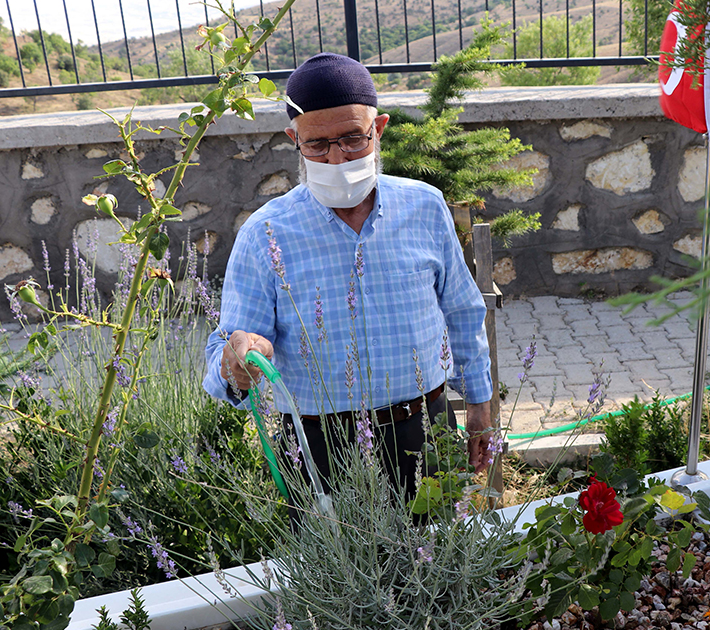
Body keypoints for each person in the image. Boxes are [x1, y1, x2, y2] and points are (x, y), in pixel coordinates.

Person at [202, 52, 493, 504]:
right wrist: (237, 361)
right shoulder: (265, 233)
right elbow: (229, 342)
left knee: (437, 563)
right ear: (293, 139)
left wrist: (479, 404)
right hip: (321, 446)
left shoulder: (425, 207)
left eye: (353, 138)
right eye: (317, 144)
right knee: (333, 572)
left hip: (425, 429)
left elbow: (462, 308)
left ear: (378, 129)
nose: (337, 158)